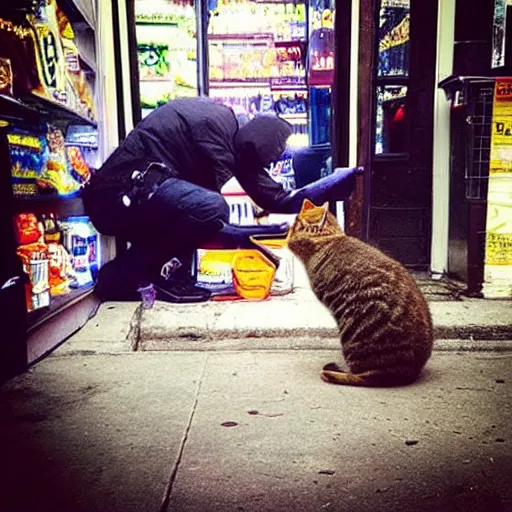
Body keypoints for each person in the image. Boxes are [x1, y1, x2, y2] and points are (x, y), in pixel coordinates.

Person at [82, 97, 362, 303]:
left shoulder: (238, 141)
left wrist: (331, 184)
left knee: (203, 211)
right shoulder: (215, 128)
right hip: (114, 199)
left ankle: (138, 278)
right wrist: (246, 237)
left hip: (141, 200)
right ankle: (141, 277)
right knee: (210, 208)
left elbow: (278, 200)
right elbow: (210, 219)